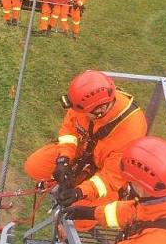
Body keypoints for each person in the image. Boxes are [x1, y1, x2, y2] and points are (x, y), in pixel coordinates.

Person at [24, 70, 148, 229]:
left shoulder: (132, 131)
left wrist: (80, 192)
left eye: (82, 112)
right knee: (33, 166)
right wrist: (64, 159)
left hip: (106, 174)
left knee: (78, 219)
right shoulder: (85, 103)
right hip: (82, 154)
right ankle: (66, 184)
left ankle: (111, 197)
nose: (77, 114)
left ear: (100, 110)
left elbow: (110, 178)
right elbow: (69, 130)